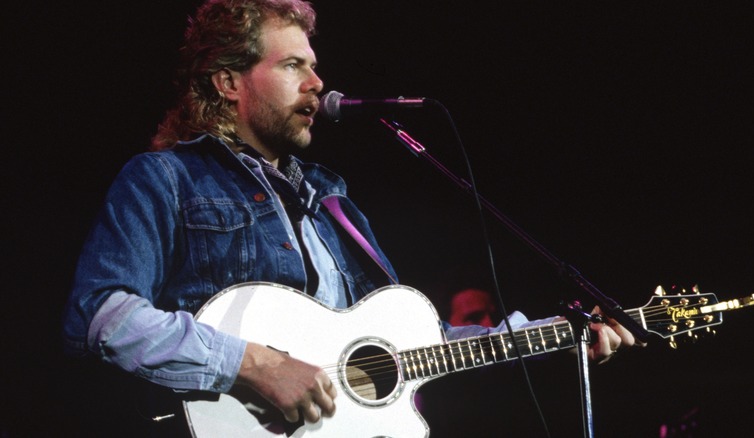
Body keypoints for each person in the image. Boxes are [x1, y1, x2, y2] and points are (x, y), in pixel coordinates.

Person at [61, 0, 640, 436]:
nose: (318, 84)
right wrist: (255, 365)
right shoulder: (165, 178)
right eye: (293, 66)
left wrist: (550, 338)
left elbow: (410, 344)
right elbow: (102, 317)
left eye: (314, 67)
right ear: (229, 82)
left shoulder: (331, 199)